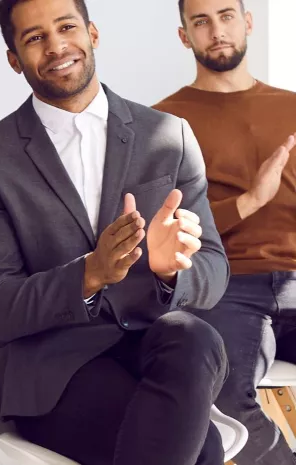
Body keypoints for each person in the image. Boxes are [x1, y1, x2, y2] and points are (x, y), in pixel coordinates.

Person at [0, 0, 231, 463]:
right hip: (53, 366)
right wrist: (90, 273)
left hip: (155, 345)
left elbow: (215, 268)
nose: (57, 45)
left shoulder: (169, 134)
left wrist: (169, 273)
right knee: (204, 450)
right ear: (13, 59)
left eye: (66, 27)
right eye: (34, 37)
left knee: (197, 337)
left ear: (93, 33)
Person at [153, 0, 296, 462]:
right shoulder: (163, 123)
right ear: (184, 36)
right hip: (228, 286)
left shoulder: (291, 106)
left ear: (247, 22)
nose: (216, 30)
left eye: (226, 16)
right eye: (200, 21)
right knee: (225, 399)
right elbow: (167, 227)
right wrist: (250, 201)